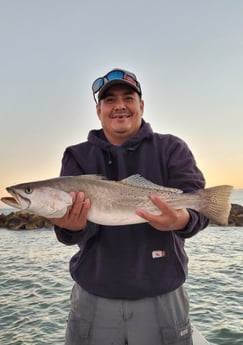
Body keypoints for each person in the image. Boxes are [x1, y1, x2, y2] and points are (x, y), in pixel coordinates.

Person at [52, 68, 209, 345]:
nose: (120, 106)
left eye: (128, 98)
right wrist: (70, 228)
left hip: (163, 296)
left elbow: (201, 207)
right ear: (99, 110)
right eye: (110, 100)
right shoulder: (77, 156)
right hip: (93, 296)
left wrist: (181, 219)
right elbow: (71, 233)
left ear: (141, 106)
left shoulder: (171, 148)